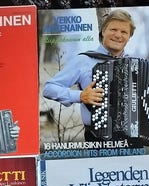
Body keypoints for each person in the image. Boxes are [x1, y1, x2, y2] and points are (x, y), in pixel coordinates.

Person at [42, 9, 139, 143]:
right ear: (103, 31)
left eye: (124, 32)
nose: (118, 35)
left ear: (129, 37)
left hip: (133, 138)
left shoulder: (135, 65)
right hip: (98, 138)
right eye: (113, 29)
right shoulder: (84, 60)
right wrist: (80, 96)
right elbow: (49, 88)